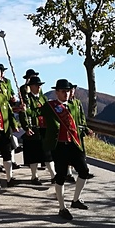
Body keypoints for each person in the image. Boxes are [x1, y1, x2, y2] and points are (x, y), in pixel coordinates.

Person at [39, 79, 92, 220]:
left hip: (75, 144)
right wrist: (24, 109)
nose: (66, 94)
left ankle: (75, 200)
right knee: (61, 176)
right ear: (57, 92)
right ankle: (62, 208)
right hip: (60, 146)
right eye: (63, 91)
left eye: (68, 91)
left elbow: (80, 121)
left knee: (84, 171)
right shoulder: (50, 106)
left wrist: (85, 129)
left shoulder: (75, 104)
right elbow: (35, 112)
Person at [19, 76, 56, 185]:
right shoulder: (26, 99)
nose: (39, 87)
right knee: (33, 155)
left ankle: (53, 175)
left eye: (40, 85)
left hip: (44, 129)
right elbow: (23, 114)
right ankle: (34, 176)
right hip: (33, 128)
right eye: (36, 85)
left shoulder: (43, 98)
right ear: (31, 87)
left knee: (48, 154)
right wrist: (26, 128)